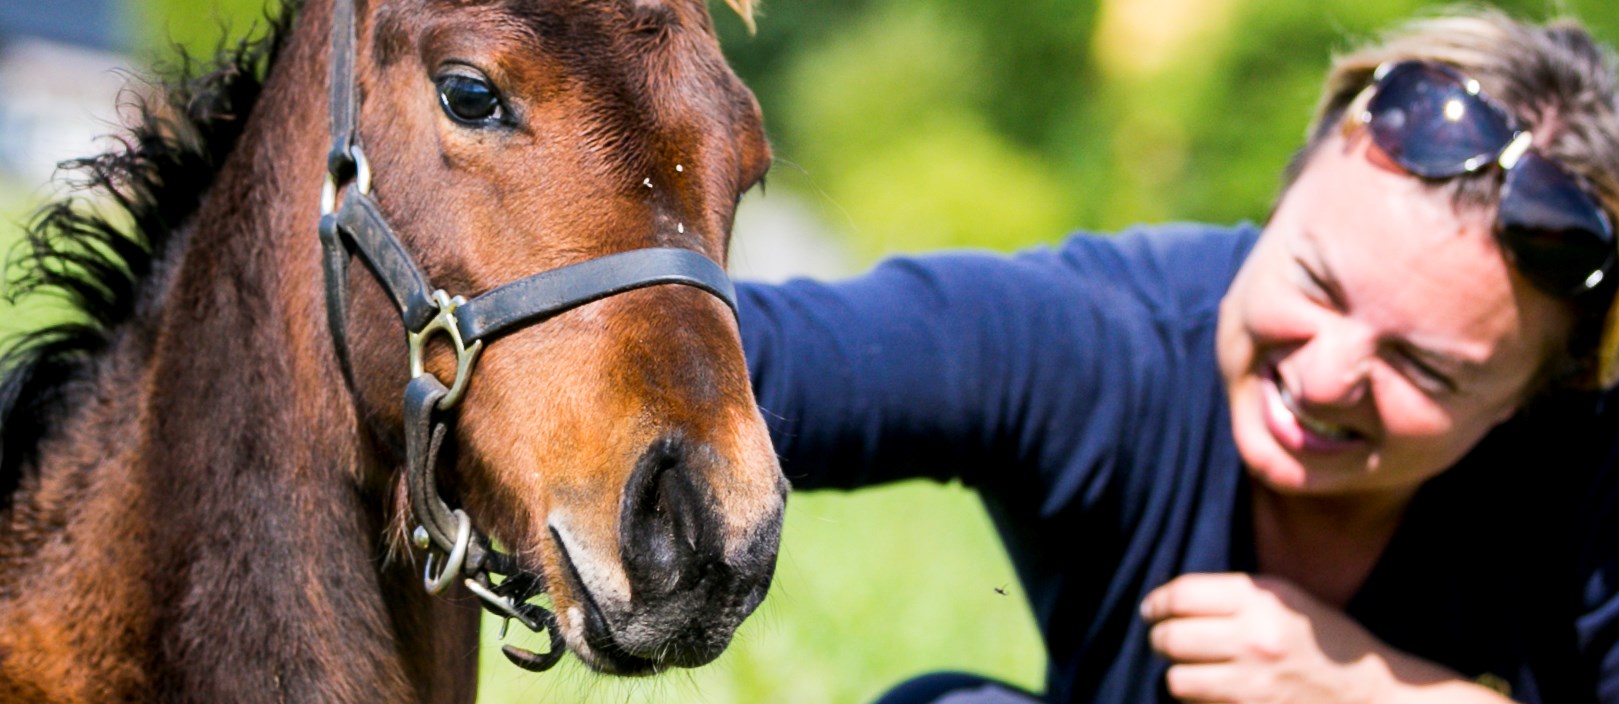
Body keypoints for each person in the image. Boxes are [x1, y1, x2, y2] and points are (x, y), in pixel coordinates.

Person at [738, 9, 1619, 703]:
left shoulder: (1595, 479)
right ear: (1280, 197)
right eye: (1314, 285)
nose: (1320, 379)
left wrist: (1370, 690)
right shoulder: (1110, 336)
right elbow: (736, 366)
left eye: (1424, 369)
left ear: (1551, 386)